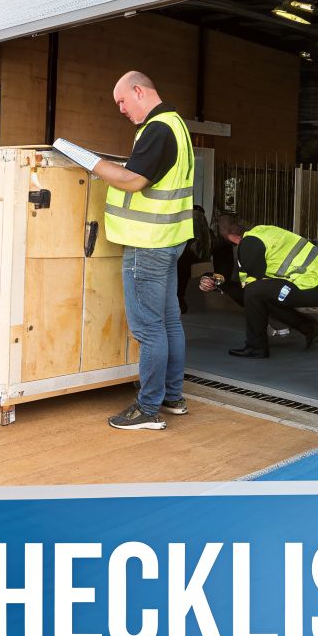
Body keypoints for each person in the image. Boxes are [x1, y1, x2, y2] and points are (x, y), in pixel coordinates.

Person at [87, 71, 195, 430]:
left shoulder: (158, 128)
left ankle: (148, 409)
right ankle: (172, 398)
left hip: (148, 245)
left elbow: (134, 180)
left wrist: (93, 163)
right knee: (167, 323)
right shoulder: (177, 125)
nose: (120, 109)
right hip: (169, 240)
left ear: (139, 91)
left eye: (121, 101)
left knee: (148, 329)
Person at [201, 213, 318, 358]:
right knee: (260, 296)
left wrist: (221, 286)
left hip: (313, 284)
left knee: (254, 293)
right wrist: (218, 282)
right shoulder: (263, 233)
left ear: (232, 238)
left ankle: (256, 347)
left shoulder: (249, 245)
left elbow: (248, 292)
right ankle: (310, 328)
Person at [176, 204, 212, 314]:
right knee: (183, 277)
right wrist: (206, 258)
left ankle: (177, 300)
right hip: (190, 253)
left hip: (179, 251)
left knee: (178, 276)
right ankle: (180, 300)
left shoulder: (183, 215)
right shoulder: (200, 217)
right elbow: (206, 240)